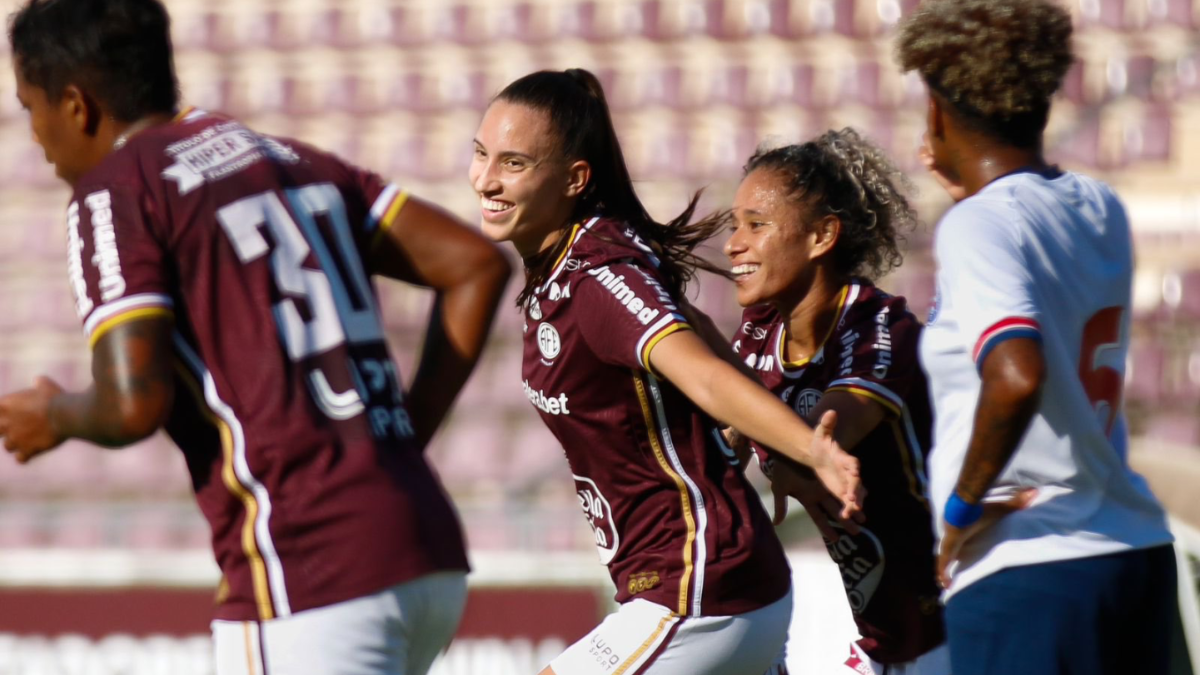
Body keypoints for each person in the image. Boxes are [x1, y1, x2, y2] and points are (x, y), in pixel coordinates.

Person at [0, 1, 512, 673]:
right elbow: (473, 263)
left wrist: (55, 416)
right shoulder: (282, 156)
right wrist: (403, 439)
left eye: (29, 106)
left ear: (76, 105)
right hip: (425, 551)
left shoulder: (117, 188)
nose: (33, 135)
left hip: (309, 570)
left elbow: (132, 402)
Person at [469, 68, 864, 675]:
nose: (486, 180)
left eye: (513, 163)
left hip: (699, 591)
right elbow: (701, 331)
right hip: (711, 586)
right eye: (481, 154)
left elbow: (699, 368)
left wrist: (812, 451)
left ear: (574, 179)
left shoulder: (598, 278)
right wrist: (770, 440)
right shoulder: (576, 260)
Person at [895, 1, 1177, 673]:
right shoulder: (1097, 204)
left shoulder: (976, 227)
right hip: (1131, 553)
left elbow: (1017, 373)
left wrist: (959, 512)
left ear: (937, 107)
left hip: (1031, 568)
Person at [723, 130, 948, 675]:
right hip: (884, 642)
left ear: (822, 236)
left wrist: (785, 468)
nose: (734, 243)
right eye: (735, 224)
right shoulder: (759, 333)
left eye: (757, 225)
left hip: (951, 627)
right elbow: (715, 441)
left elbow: (827, 436)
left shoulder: (878, 325)